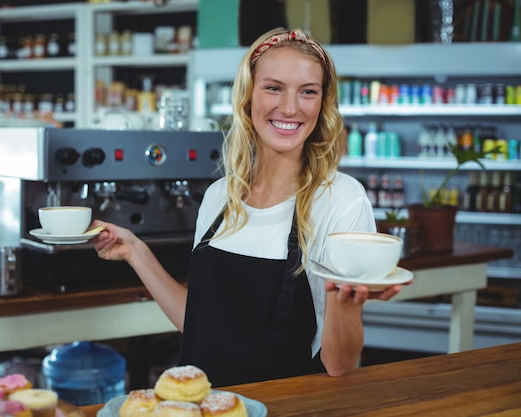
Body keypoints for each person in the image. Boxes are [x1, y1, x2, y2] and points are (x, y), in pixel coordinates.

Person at [91, 27, 404, 387]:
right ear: (247, 96)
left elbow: (338, 364)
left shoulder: (342, 200)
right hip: (205, 405)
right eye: (273, 87)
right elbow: (200, 325)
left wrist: (347, 303)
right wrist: (135, 252)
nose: (290, 107)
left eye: (308, 92)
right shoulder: (219, 196)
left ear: (322, 104)